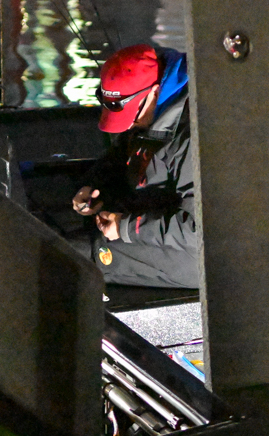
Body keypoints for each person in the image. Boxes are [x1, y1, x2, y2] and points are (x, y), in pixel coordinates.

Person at [71, 44, 198, 289]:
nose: (129, 126)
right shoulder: (149, 114)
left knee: (76, 256)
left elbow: (200, 229)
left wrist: (126, 228)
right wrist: (93, 189)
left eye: (131, 116)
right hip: (154, 216)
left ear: (154, 93)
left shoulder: (192, 135)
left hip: (200, 253)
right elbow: (118, 159)